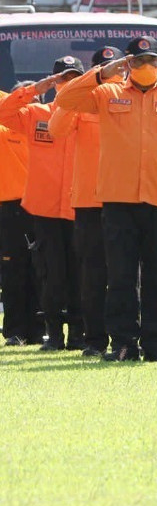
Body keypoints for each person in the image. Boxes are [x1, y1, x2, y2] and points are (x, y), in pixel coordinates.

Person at [56, 35, 157, 362]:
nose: (145, 66)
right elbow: (66, 97)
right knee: (120, 277)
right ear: (128, 65)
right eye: (138, 61)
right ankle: (123, 343)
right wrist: (104, 72)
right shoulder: (108, 93)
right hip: (118, 200)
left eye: (151, 61)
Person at [0, 57, 84, 351]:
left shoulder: (89, 116)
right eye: (62, 78)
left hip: (79, 208)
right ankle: (54, 335)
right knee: (49, 275)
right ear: (53, 83)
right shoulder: (37, 113)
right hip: (44, 211)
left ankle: (78, 335)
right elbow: (4, 112)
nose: (67, 84)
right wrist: (36, 88)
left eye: (74, 78)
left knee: (80, 274)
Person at [48, 47, 126, 356]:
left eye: (116, 67)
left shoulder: (134, 101)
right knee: (92, 273)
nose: (111, 72)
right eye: (104, 68)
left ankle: (124, 337)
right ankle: (94, 339)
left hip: (125, 197)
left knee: (126, 273)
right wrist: (86, 85)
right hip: (91, 201)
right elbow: (56, 128)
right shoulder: (83, 102)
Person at [0, 88, 40, 345]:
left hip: (41, 207)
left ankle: (38, 329)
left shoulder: (42, 131)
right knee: (14, 270)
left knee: (41, 271)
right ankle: (15, 330)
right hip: (11, 208)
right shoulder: (3, 131)